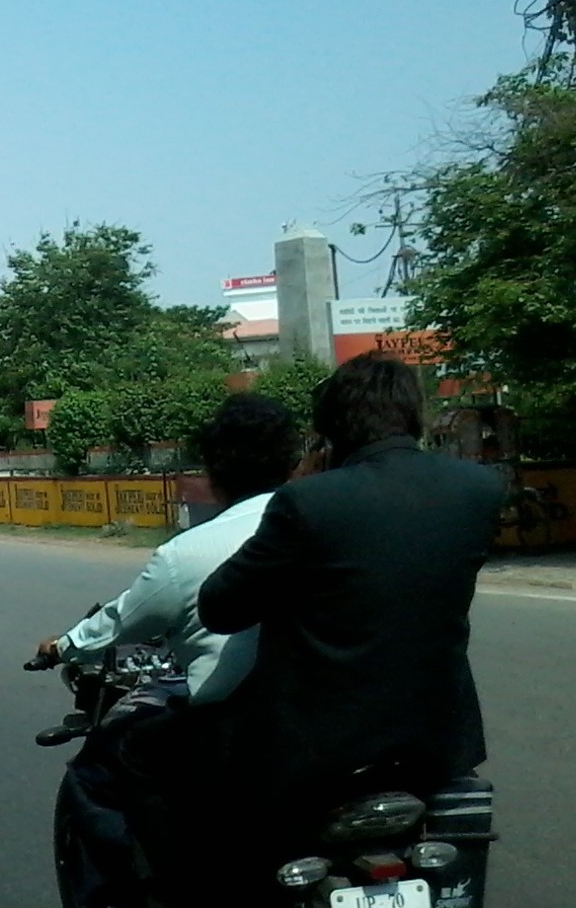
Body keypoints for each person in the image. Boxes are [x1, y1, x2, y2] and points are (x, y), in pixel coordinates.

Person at [193, 351, 508, 877]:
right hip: (438, 740)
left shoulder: (308, 501)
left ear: (332, 428)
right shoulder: (476, 491)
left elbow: (219, 608)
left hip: (315, 750)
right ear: (414, 414)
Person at [31, 393, 303, 908]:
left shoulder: (190, 552)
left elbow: (122, 620)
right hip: (324, 717)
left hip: (231, 724)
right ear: (294, 463)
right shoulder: (327, 527)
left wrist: (64, 646)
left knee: (97, 774)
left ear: (214, 473)